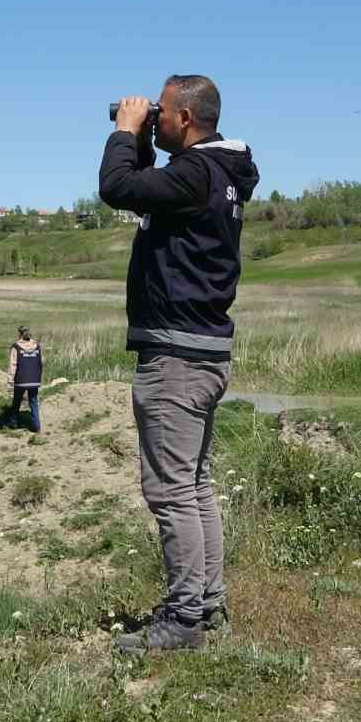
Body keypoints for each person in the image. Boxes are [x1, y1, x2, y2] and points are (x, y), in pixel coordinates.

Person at [99, 75, 259, 654]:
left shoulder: (195, 173)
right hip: (204, 350)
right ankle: (206, 605)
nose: (153, 116)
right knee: (194, 484)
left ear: (185, 118)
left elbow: (118, 188)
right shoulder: (216, 174)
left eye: (160, 111)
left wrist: (123, 132)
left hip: (176, 357)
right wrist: (142, 138)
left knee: (170, 491)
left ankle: (185, 618)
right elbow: (145, 188)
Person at [7, 325, 42, 432]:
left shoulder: (16, 347)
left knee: (16, 401)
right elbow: (40, 363)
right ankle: (36, 426)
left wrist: (10, 380)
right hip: (34, 379)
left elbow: (13, 365)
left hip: (21, 379)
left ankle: (13, 423)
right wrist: (39, 377)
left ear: (19, 334)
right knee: (33, 401)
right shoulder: (37, 345)